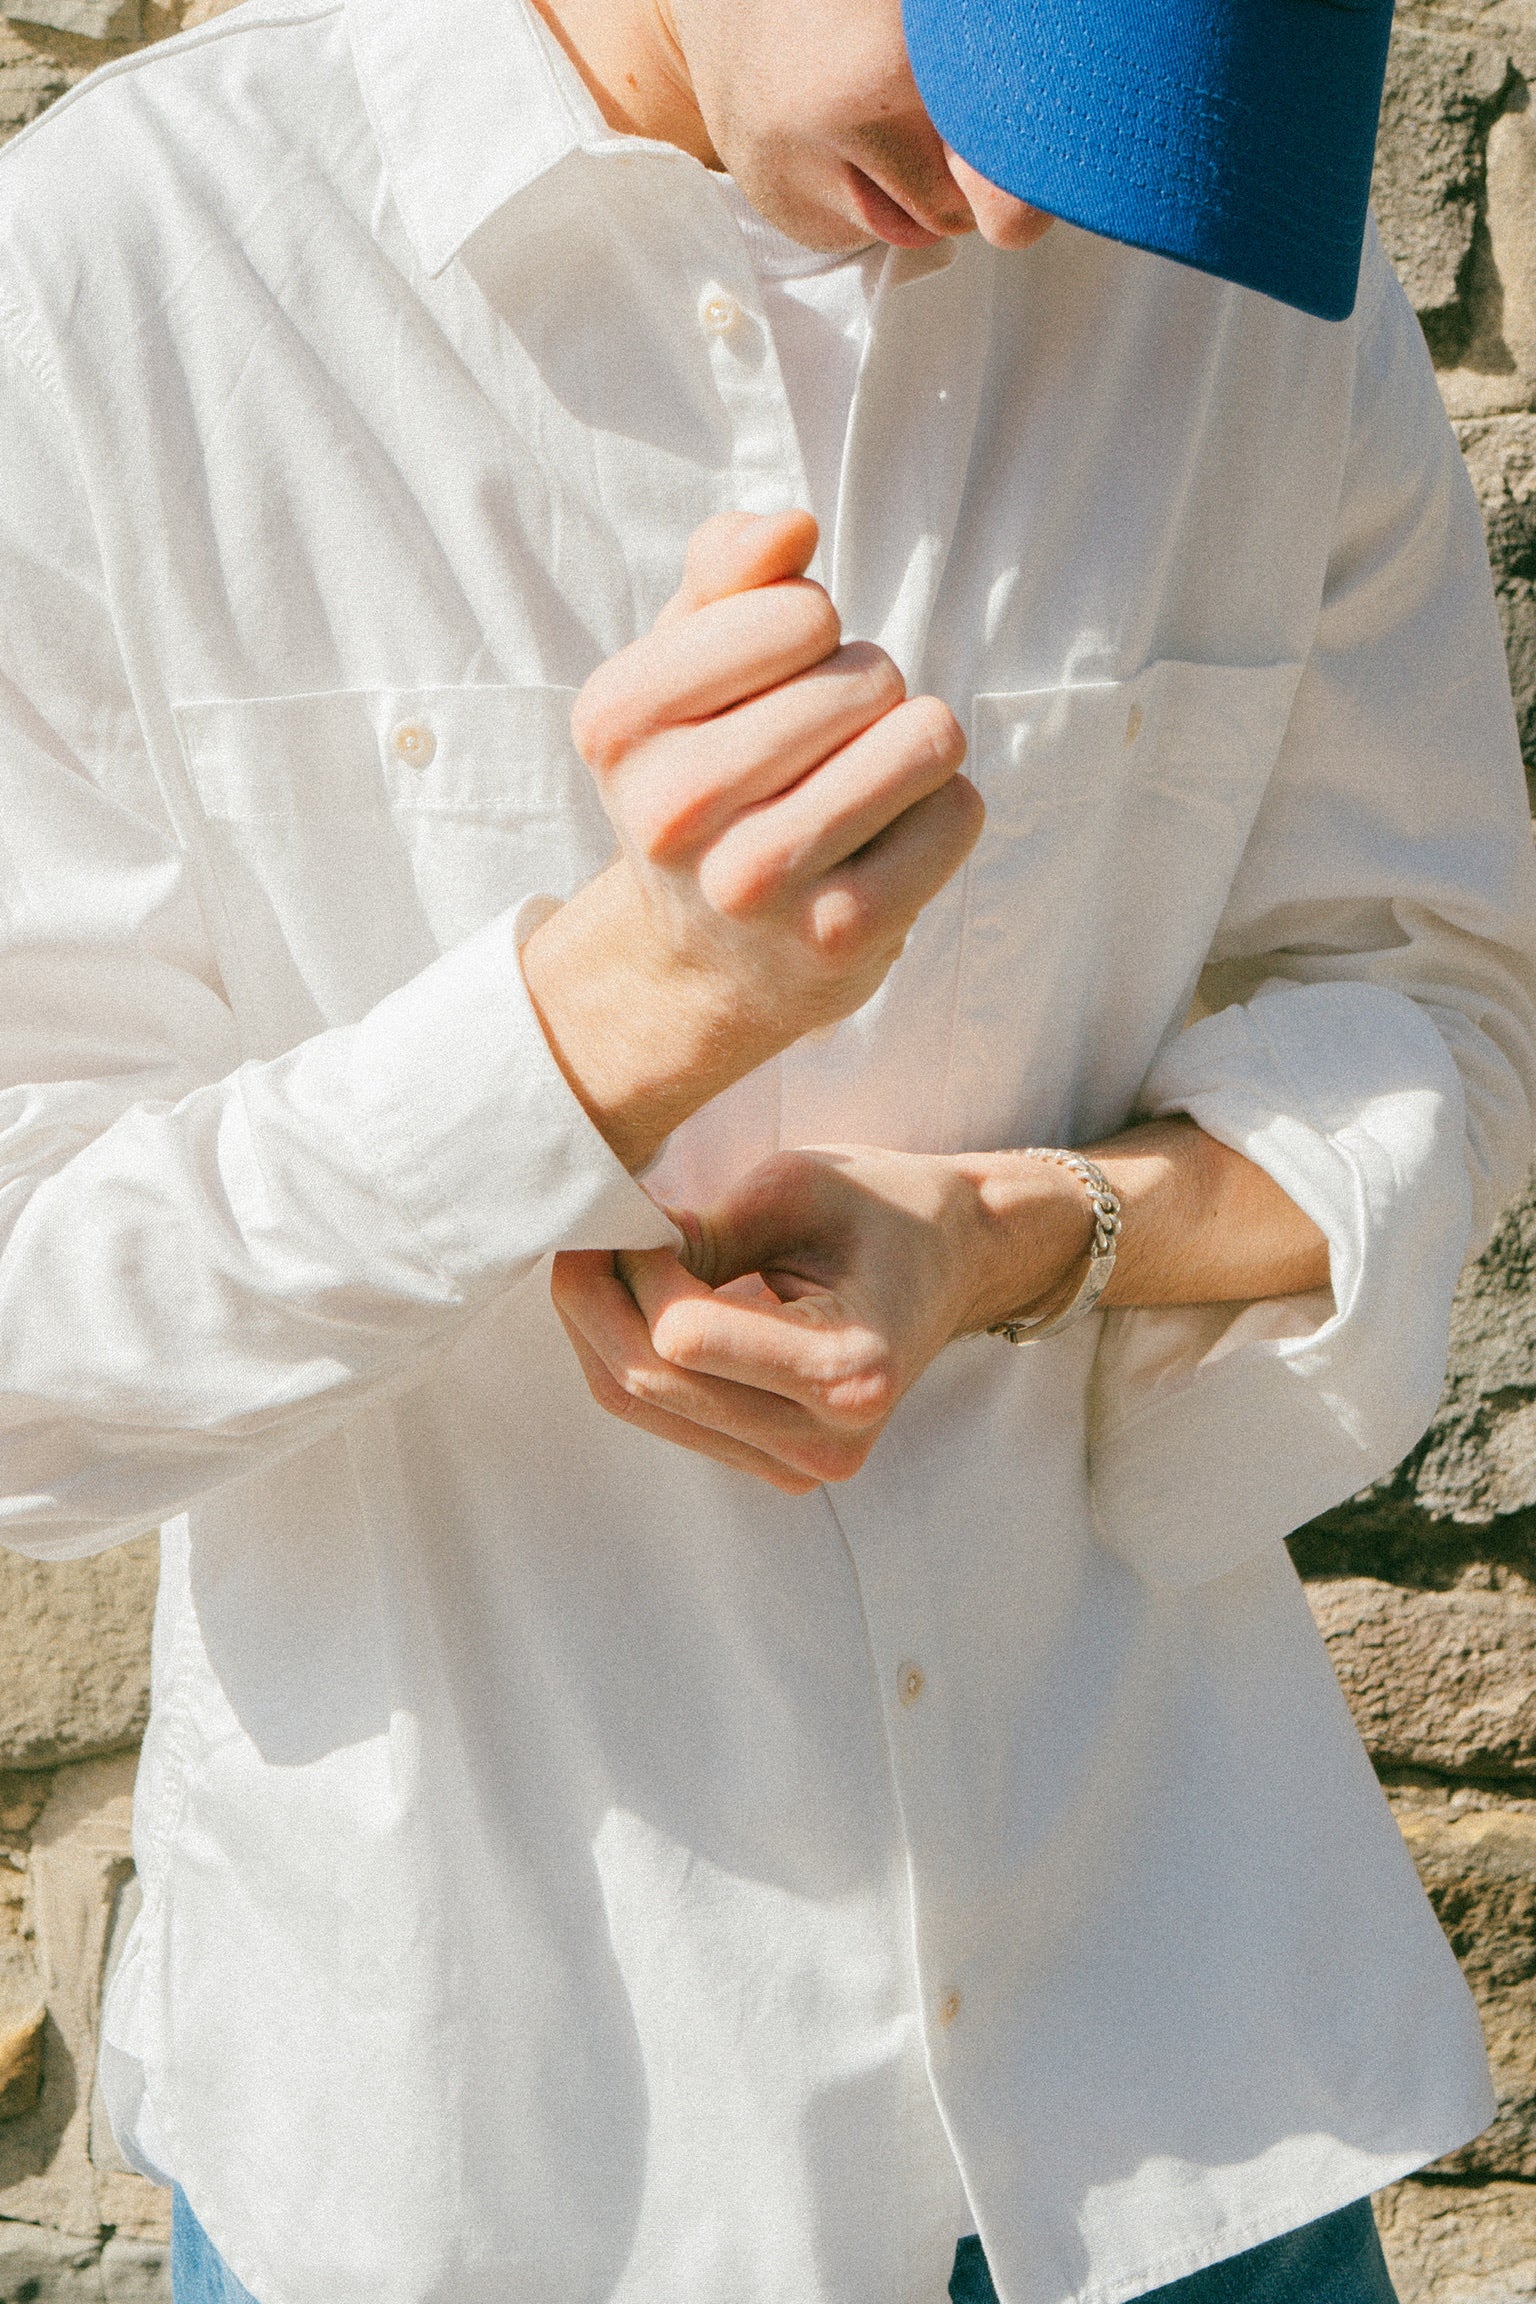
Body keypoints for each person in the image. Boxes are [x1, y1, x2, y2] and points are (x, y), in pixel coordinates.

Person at [0, 0, 1531, 2293]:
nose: (1036, 207)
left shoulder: (1247, 302)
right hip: (486, 2158)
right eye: (1025, 82)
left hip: (1168, 2098)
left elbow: (1445, 1012)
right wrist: (612, 1017)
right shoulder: (129, 282)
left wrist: (1026, 1240)